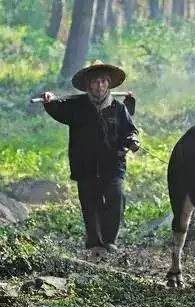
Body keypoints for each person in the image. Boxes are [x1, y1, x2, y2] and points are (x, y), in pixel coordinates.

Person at [41, 60, 140, 258]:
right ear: (88, 85)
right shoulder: (76, 106)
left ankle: (110, 240)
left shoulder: (118, 108)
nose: (100, 86)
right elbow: (57, 110)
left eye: (104, 81)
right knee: (90, 202)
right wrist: (49, 101)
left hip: (113, 163)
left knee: (116, 197)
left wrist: (133, 140)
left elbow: (130, 130)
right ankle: (94, 242)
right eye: (95, 82)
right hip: (85, 164)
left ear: (109, 84)